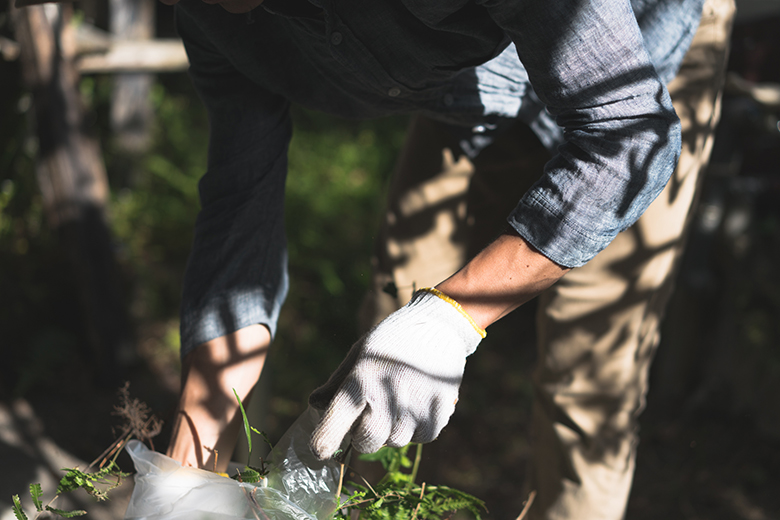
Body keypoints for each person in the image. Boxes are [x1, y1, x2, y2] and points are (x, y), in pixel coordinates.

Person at [160, 0, 733, 517]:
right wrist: (183, 481)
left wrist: (450, 320)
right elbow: (240, 221)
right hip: (472, 86)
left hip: (635, 61)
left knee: (585, 388)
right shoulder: (211, 16)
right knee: (384, 343)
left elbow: (629, 135)